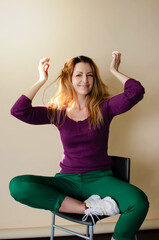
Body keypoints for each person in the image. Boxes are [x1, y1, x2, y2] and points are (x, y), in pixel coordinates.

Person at [9, 51, 149, 240]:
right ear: (69, 79)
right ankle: (88, 207)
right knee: (18, 185)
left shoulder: (105, 108)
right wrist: (41, 79)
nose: (85, 80)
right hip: (68, 181)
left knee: (138, 202)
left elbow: (135, 92)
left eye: (90, 75)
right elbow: (19, 111)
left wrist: (113, 70)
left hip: (100, 180)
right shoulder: (58, 113)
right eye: (79, 74)